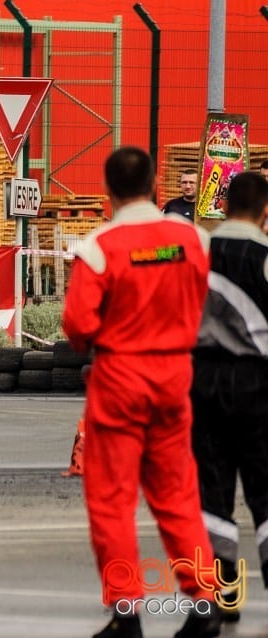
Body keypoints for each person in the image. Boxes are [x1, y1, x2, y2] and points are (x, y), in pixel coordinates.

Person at [62, 147, 220, 638]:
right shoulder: (192, 238)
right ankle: (205, 601)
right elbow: (205, 301)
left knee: (112, 500)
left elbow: (77, 325)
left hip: (120, 383)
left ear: (107, 190)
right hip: (175, 380)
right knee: (178, 496)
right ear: (155, 184)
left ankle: (127, 611)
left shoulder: (99, 246)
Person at [191, 170, 268, 624]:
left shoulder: (196, 254)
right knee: (265, 488)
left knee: (211, 491)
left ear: (223, 206)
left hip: (202, 381)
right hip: (259, 384)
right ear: (264, 213)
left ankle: (223, 597)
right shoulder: (265, 256)